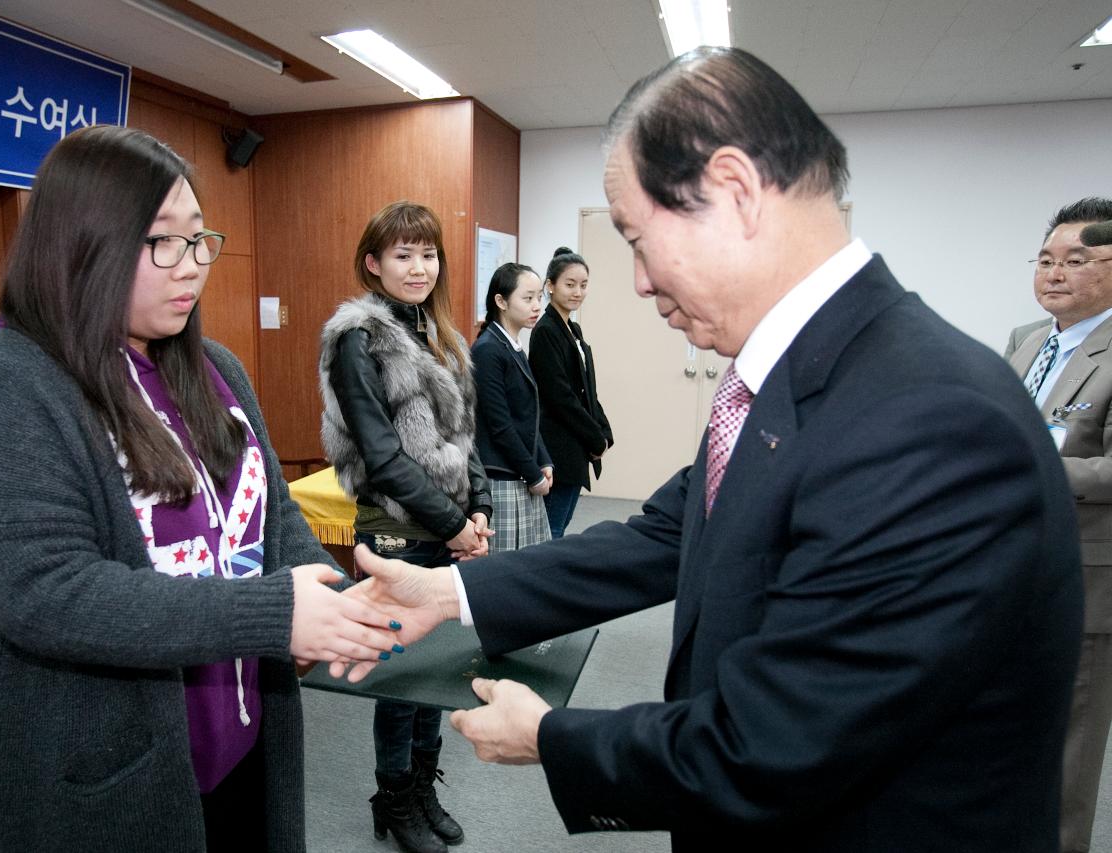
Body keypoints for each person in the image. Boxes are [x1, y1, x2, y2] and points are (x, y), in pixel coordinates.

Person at [343, 47, 1084, 852]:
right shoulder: (800, 376)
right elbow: (662, 535)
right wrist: (450, 591)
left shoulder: (930, 419)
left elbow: (778, 744)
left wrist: (555, 739)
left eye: (637, 237)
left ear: (733, 192)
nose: (636, 282)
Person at [0, 125, 404, 853]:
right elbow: (50, 592)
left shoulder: (212, 366)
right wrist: (273, 612)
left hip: (242, 744)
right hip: (103, 775)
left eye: (199, 240)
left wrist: (325, 594)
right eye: (162, 243)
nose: (191, 267)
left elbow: (270, 508)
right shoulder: (7, 389)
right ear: (81, 245)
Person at [318, 201, 493, 853]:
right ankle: (393, 797)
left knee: (436, 670)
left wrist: (479, 509)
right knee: (400, 676)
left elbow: (464, 435)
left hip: (447, 526)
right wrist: (455, 525)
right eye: (403, 254)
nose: (419, 267)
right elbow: (384, 456)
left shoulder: (439, 332)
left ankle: (421, 785)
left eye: (428, 253)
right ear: (373, 263)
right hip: (394, 528)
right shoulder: (357, 338)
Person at [1004, 196, 1112, 853]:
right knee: (1009, 729)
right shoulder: (1025, 340)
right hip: (1010, 567)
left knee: (1069, 747)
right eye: (1045, 259)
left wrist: (1036, 465)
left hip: (1085, 578)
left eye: (1077, 259)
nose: (1055, 272)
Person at [529, 247, 614, 539]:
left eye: (583, 285)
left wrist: (603, 432)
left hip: (574, 445)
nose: (578, 291)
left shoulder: (572, 328)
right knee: (551, 530)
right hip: (559, 445)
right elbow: (560, 396)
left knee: (558, 527)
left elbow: (586, 388)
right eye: (570, 284)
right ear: (550, 286)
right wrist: (594, 436)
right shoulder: (546, 331)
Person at [471, 262, 553, 552]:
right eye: (527, 298)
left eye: (539, 297)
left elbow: (528, 416)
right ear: (501, 301)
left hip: (521, 472)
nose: (536, 305)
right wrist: (533, 473)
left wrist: (544, 461)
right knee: (505, 576)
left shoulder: (512, 344)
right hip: (503, 478)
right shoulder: (488, 350)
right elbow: (500, 424)